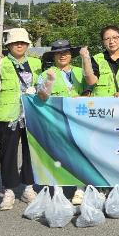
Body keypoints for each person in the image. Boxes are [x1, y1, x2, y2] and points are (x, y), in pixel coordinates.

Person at [0, 28, 42, 210]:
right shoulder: (0, 62)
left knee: (31, 152)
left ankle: (28, 187)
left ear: (27, 45)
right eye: (15, 42)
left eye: (23, 42)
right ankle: (9, 190)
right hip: (8, 115)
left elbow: (43, 86)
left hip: (32, 114)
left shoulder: (35, 63)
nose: (19, 45)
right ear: (8, 45)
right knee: (8, 152)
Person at [35, 39, 85, 204]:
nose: (62, 56)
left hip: (79, 120)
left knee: (79, 153)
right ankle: (58, 188)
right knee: (57, 154)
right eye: (58, 53)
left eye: (65, 52)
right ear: (54, 56)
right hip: (55, 120)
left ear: (71, 55)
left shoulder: (80, 71)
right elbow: (41, 97)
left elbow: (91, 90)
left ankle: (80, 189)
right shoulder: (46, 73)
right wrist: (49, 81)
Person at [81, 25, 119, 97]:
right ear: (103, 42)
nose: (111, 41)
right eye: (107, 39)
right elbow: (91, 81)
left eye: (115, 37)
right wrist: (85, 59)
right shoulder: (96, 59)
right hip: (102, 105)